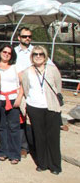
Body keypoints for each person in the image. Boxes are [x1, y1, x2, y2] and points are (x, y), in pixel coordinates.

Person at [21, 46, 63, 175]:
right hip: (34, 107)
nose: (38, 56)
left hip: (51, 107)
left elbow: (58, 86)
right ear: (32, 57)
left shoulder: (52, 70)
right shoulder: (27, 72)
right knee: (39, 136)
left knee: (53, 137)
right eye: (35, 54)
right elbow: (26, 89)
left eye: (41, 54)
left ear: (45, 57)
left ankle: (55, 165)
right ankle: (42, 163)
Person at [14, 27, 53, 158]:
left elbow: (51, 66)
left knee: (35, 120)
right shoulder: (14, 53)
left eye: (29, 36)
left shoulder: (37, 52)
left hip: (35, 90)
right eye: (24, 36)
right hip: (20, 89)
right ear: (19, 37)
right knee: (21, 119)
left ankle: (38, 145)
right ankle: (24, 146)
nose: (27, 38)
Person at [0, 44, 23, 165]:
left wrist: (19, 97)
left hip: (12, 99)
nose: (6, 54)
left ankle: (14, 153)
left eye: (9, 53)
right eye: (4, 52)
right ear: (0, 52)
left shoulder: (15, 67)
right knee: (1, 127)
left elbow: (23, 84)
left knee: (14, 127)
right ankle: (3, 151)